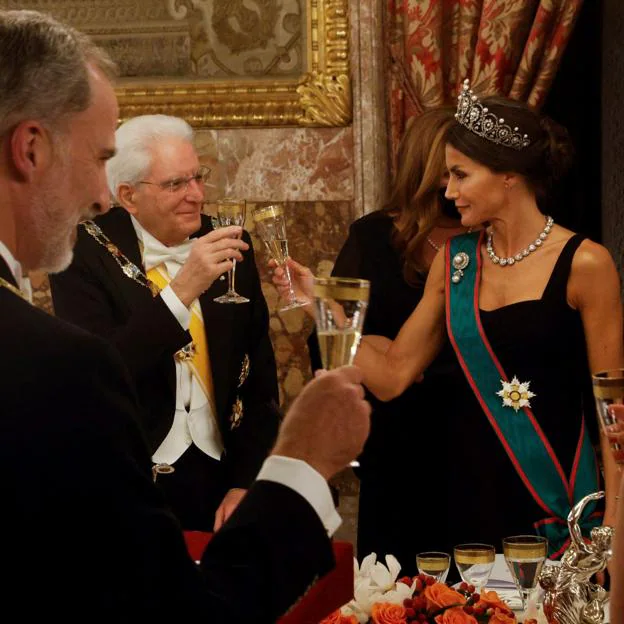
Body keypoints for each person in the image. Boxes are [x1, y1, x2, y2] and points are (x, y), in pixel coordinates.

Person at [0, 9, 371, 620]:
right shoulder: (53, 359)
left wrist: (250, 478)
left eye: (198, 179)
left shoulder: (234, 249)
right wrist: (302, 466)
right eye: (98, 158)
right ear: (31, 148)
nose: (99, 195)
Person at [277, 82, 624, 558]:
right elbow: (392, 376)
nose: (448, 190)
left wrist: (614, 527)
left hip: (560, 500)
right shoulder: (456, 262)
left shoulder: (586, 263)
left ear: (508, 175)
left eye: (460, 175)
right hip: (468, 499)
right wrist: (321, 304)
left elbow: (615, 415)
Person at [49, 114, 280, 532]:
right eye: (176, 184)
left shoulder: (227, 240)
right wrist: (182, 290)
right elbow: (99, 375)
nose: (196, 195)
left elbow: (259, 381)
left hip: (220, 483)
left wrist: (246, 483)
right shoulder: (80, 253)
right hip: (126, 487)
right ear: (129, 196)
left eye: (197, 178)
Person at [300, 107, 469, 573]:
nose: (459, 184)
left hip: (473, 431)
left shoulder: (488, 235)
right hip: (397, 438)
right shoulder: (375, 237)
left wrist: (390, 352)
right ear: (428, 163)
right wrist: (386, 358)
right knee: (396, 583)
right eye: (453, 167)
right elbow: (333, 335)